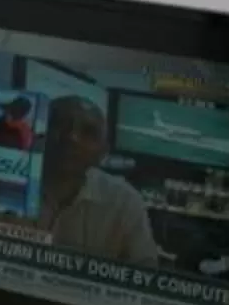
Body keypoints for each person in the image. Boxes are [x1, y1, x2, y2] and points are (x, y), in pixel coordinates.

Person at [36, 96, 163, 266]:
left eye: (88, 132)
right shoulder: (4, 180)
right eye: (60, 123)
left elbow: (145, 276)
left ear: (103, 152)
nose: (72, 137)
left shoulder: (125, 202)